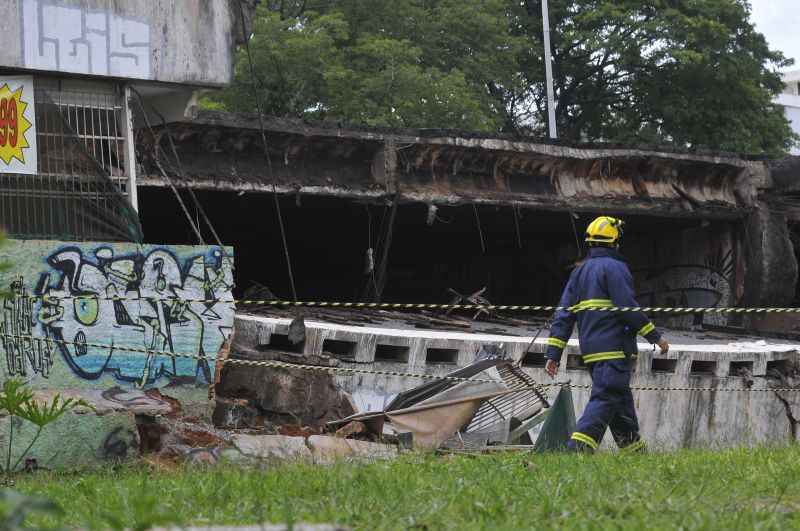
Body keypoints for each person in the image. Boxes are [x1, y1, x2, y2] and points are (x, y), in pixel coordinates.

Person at [544, 215, 669, 453]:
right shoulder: (615, 268)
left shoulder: (578, 273)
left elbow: (564, 315)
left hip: (591, 352)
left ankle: (635, 453)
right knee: (605, 398)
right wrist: (655, 336)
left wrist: (553, 353)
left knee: (619, 404)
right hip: (614, 350)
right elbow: (627, 308)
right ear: (615, 243)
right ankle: (576, 451)